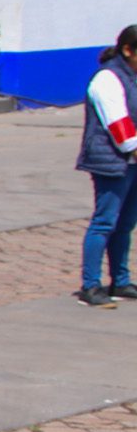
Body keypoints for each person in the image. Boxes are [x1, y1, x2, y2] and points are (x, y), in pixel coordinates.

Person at [75, 24, 137, 307]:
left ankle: (120, 280)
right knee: (104, 222)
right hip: (112, 161)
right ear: (128, 50)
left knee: (125, 224)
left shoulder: (132, 77)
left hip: (131, 161)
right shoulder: (107, 79)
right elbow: (120, 129)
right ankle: (91, 285)